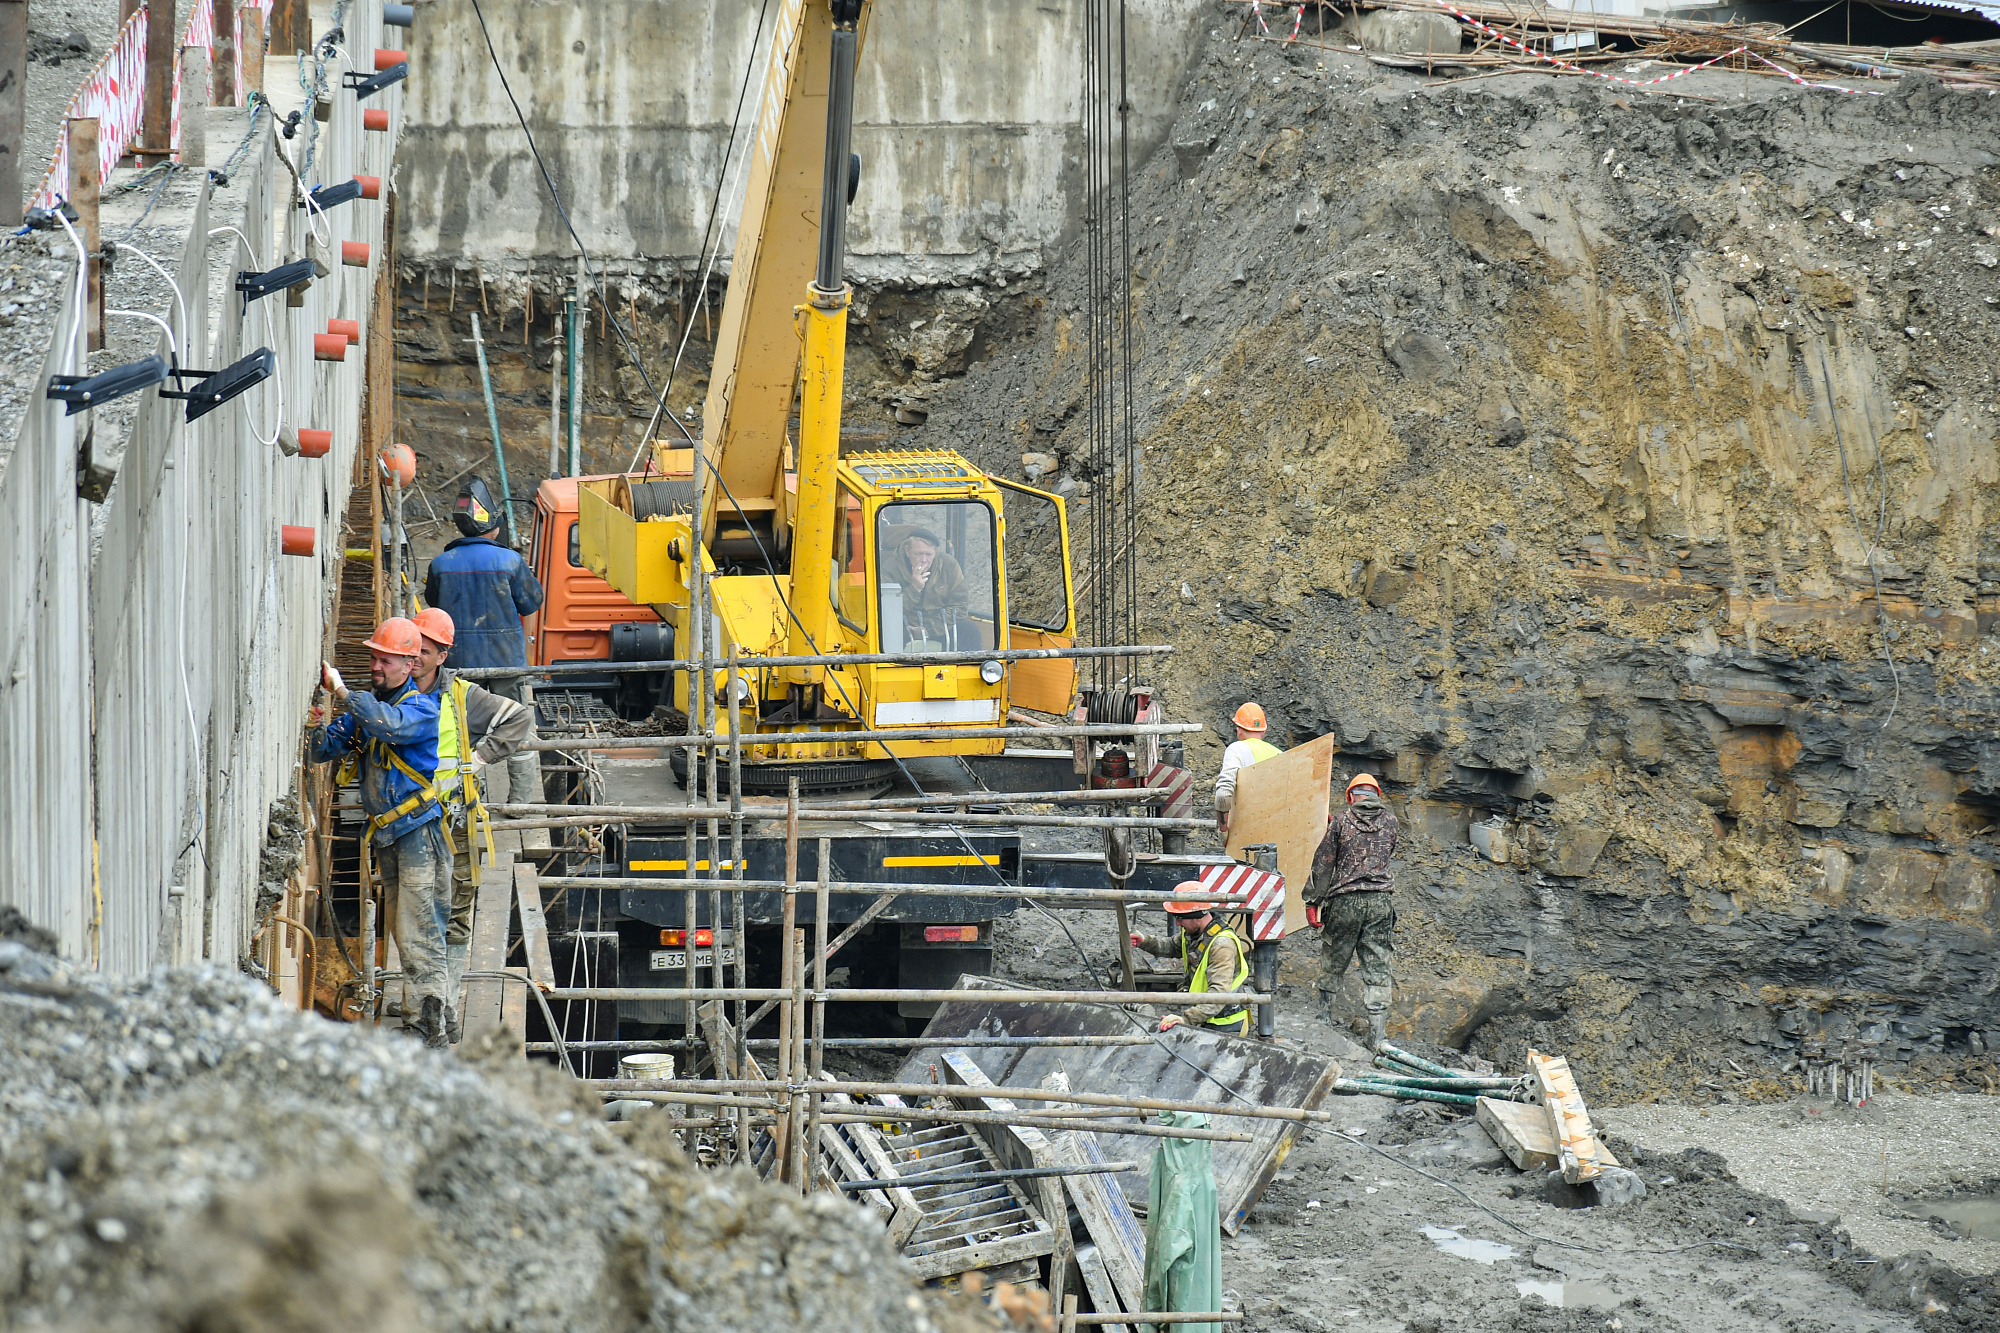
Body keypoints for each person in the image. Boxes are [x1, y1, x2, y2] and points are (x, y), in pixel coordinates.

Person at [309, 618, 451, 1047]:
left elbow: (392, 727)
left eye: (385, 659)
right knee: (400, 930)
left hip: (419, 838)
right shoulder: (369, 709)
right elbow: (322, 749)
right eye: (373, 657)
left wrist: (342, 693)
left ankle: (430, 1030)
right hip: (390, 838)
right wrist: (318, 720)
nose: (376, 665)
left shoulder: (422, 709)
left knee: (418, 932)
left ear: (410, 664)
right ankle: (422, 1016)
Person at [412, 606, 534, 1040]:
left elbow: (518, 718)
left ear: (442, 654)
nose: (414, 659)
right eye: (410, 650)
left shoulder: (463, 697)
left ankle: (442, 1006)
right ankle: (426, 1005)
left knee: (456, 916)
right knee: (415, 916)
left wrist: (478, 760)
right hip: (406, 825)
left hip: (453, 822)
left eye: (423, 651)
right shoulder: (392, 692)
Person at [422, 476, 545, 807]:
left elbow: (434, 610)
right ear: (493, 525)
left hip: (459, 664)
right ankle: (519, 804)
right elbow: (532, 603)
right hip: (506, 661)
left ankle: (466, 803)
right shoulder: (509, 561)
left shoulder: (440, 564)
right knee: (517, 724)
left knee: (463, 731)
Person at [1306, 772, 1401, 1050]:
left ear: (1350, 797)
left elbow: (1323, 864)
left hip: (1345, 902)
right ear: (1377, 795)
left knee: (1334, 959)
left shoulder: (1341, 822)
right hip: (1381, 903)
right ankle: (1377, 1037)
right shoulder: (1392, 822)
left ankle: (1324, 1020)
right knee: (1378, 965)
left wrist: (1312, 901)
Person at [1130, 894, 1252, 1037]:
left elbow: (1219, 995)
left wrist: (1185, 1019)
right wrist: (1144, 941)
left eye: (1180, 918)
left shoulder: (1221, 945)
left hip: (1225, 1024)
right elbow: (1172, 946)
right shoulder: (1195, 933)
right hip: (1205, 1014)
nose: (1177, 923)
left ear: (1197, 916)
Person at [882, 524, 970, 646]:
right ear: (907, 551)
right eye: (918, 554)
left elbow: (960, 607)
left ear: (935, 552)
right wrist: (914, 588)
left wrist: (928, 630)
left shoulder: (949, 565)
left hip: (938, 625)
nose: (923, 560)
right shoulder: (890, 568)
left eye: (928, 555)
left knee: (969, 630)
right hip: (906, 626)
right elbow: (887, 611)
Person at [1213, 702, 1282, 836]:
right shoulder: (1280, 754)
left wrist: (1223, 831)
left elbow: (1223, 796)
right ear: (1264, 730)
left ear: (1239, 729)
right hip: (1278, 837)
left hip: (1246, 836)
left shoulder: (1236, 749)